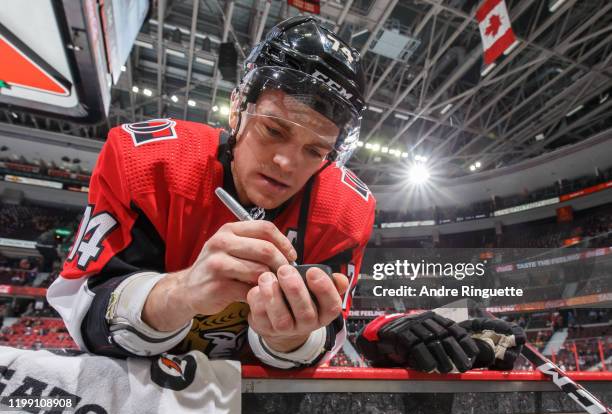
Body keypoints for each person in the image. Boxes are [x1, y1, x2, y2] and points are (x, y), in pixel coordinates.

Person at [47, 16, 376, 369]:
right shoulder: (148, 161)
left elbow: (325, 336)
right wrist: (181, 293)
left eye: (314, 151)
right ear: (237, 109)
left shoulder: (345, 212)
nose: (286, 162)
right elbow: (87, 311)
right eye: (273, 131)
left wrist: (289, 337)